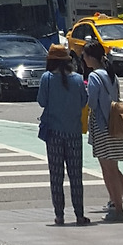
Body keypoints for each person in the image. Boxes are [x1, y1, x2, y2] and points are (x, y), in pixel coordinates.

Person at [83, 40, 123, 222]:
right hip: (116, 124)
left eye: (85, 56)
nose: (83, 59)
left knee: (107, 169)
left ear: (91, 57)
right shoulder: (111, 75)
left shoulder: (94, 76)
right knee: (115, 168)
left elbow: (91, 102)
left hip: (102, 126)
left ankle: (117, 208)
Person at [38, 43, 90, 225]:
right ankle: (79, 214)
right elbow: (83, 102)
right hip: (73, 132)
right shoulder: (77, 79)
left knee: (56, 176)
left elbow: (42, 101)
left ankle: (59, 215)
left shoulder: (46, 78)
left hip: (53, 133)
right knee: (76, 176)